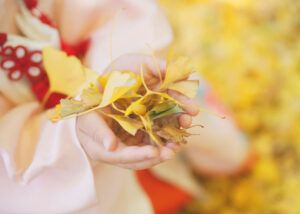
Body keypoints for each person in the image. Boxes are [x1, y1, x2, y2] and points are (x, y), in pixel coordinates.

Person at [0, 0, 251, 213]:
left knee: (183, 125)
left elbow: (107, 10)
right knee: (119, 193)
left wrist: (114, 75)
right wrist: (72, 136)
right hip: (46, 164)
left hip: (97, 64)